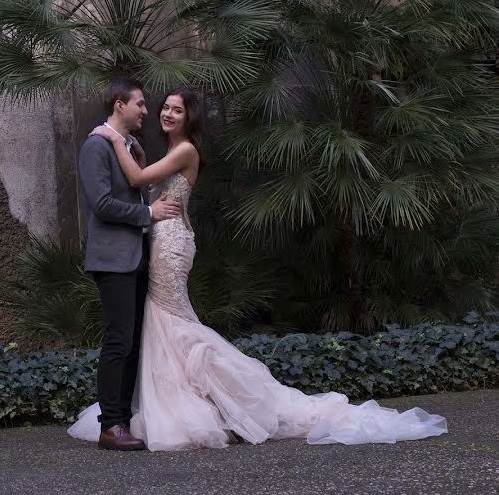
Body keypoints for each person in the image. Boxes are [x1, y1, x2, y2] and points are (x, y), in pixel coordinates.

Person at [69, 86, 447, 451]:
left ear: (190, 118)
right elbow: (128, 193)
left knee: (172, 323)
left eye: (175, 109)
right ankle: (152, 408)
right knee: (161, 326)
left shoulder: (181, 149)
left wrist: (115, 139)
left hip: (168, 245)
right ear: (122, 105)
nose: (160, 113)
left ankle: (197, 403)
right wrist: (129, 162)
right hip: (157, 241)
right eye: (157, 106)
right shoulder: (156, 148)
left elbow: (138, 182)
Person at [77, 78, 182, 450]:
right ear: (120, 105)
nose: (145, 110)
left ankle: (124, 418)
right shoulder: (95, 147)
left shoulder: (130, 146)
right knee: (119, 339)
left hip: (135, 257)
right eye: (139, 103)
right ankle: (111, 425)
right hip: (112, 260)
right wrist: (148, 212)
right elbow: (102, 204)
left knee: (134, 341)